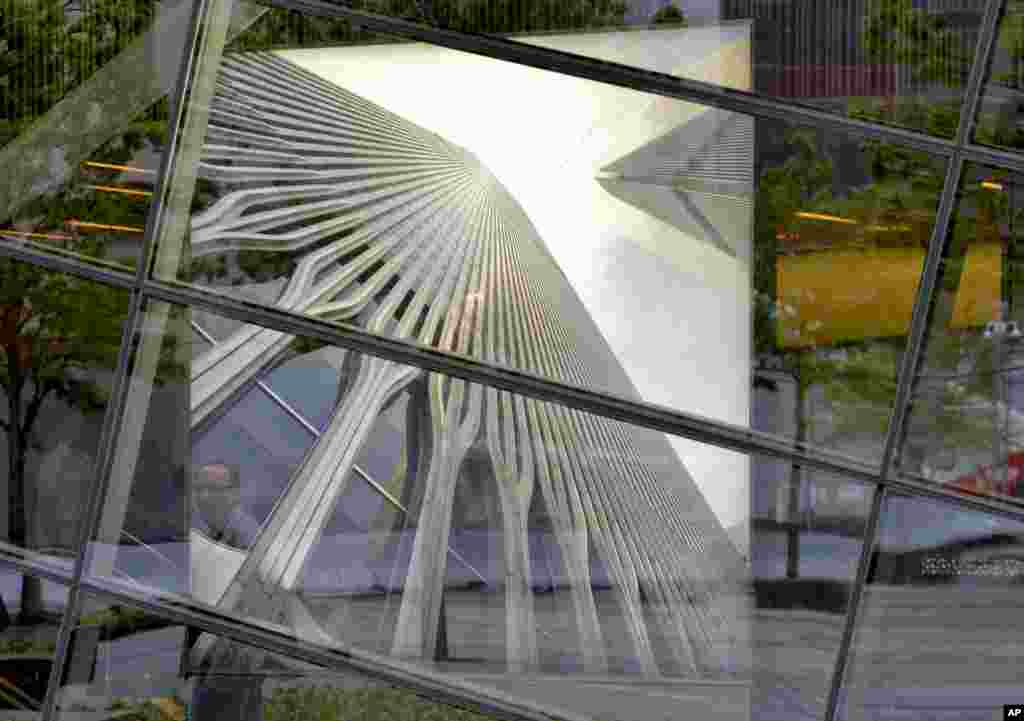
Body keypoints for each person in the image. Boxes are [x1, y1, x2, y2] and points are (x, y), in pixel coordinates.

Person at [191, 462, 261, 550]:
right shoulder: (211, 528)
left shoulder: (246, 536)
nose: (203, 496)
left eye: (213, 488)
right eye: (199, 488)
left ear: (234, 494)